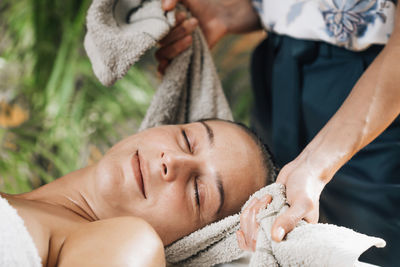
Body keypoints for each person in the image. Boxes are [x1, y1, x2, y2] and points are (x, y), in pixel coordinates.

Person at [157, 1, 400, 266]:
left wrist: (315, 165)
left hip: (378, 88)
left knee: (373, 249)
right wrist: (232, 15)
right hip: (277, 63)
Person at [1, 119, 275, 266]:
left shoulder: (131, 244)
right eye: (187, 140)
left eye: (198, 193)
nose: (173, 162)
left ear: (194, 241)